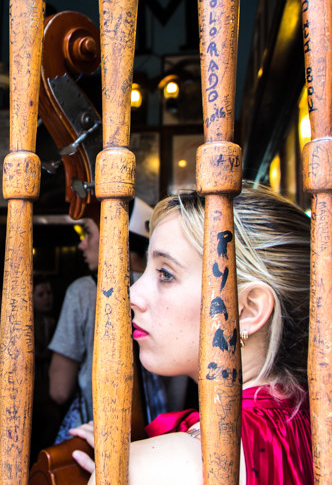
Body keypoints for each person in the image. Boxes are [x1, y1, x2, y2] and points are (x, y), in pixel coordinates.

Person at [70, 186, 314, 484]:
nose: (132, 294)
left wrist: (123, 468)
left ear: (248, 310)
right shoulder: (329, 421)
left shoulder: (155, 468)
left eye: (166, 274)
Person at [48, 198, 155, 436]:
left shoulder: (84, 290)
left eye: (88, 233)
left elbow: (59, 389)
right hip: (167, 439)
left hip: (101, 436)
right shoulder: (168, 289)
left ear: (114, 237)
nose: (81, 245)